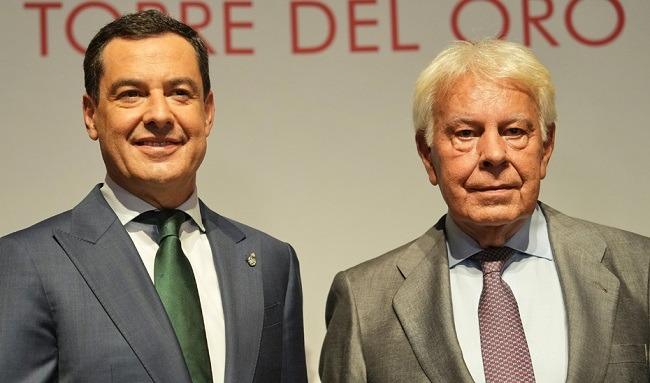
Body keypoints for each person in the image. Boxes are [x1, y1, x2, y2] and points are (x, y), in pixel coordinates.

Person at [0, 10, 307, 383]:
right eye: (132, 94)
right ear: (91, 115)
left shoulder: (272, 262)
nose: (160, 114)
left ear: (207, 112)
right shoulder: (24, 264)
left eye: (180, 93)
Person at [320, 39, 649, 383]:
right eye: (465, 133)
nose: (494, 154)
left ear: (546, 148)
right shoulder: (364, 301)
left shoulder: (641, 271)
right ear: (426, 154)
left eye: (514, 131)